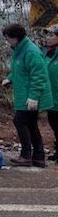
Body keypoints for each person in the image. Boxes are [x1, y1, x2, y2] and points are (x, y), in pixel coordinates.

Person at [1, 23, 54, 167]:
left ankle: (26, 155)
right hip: (26, 94)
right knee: (30, 124)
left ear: (16, 38)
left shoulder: (30, 51)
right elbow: (21, 69)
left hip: (31, 96)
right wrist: (10, 79)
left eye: (9, 38)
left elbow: (38, 75)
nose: (8, 41)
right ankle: (38, 156)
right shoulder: (19, 50)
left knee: (20, 121)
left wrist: (34, 96)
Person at [42, 24, 58, 161]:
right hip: (51, 96)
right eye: (47, 35)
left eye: (52, 35)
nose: (48, 38)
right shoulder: (46, 53)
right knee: (54, 123)